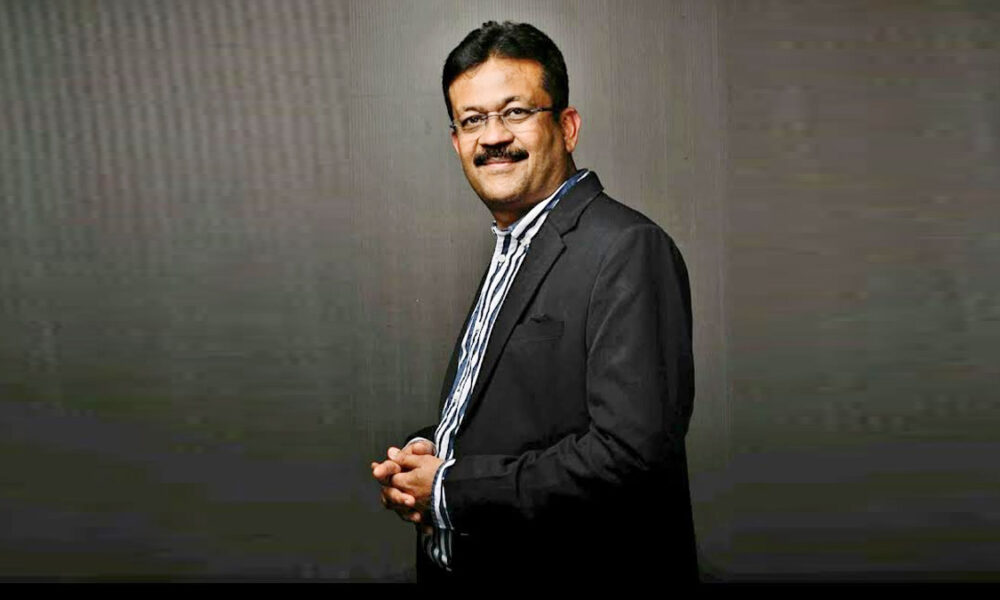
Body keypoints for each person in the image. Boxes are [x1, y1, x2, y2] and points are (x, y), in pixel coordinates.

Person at [370, 20, 697, 584]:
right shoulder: (517, 246)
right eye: (473, 120)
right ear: (456, 140)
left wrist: (448, 490)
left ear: (567, 127)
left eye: (516, 112)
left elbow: (629, 455)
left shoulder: (626, 248)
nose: (492, 136)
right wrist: (429, 451)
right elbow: (520, 413)